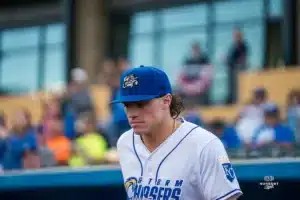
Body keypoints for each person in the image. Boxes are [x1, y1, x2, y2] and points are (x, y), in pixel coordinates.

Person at [113, 66, 242, 200]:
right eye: (127, 105)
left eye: (141, 104)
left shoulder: (205, 145)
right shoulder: (125, 143)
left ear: (166, 101)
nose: (132, 114)